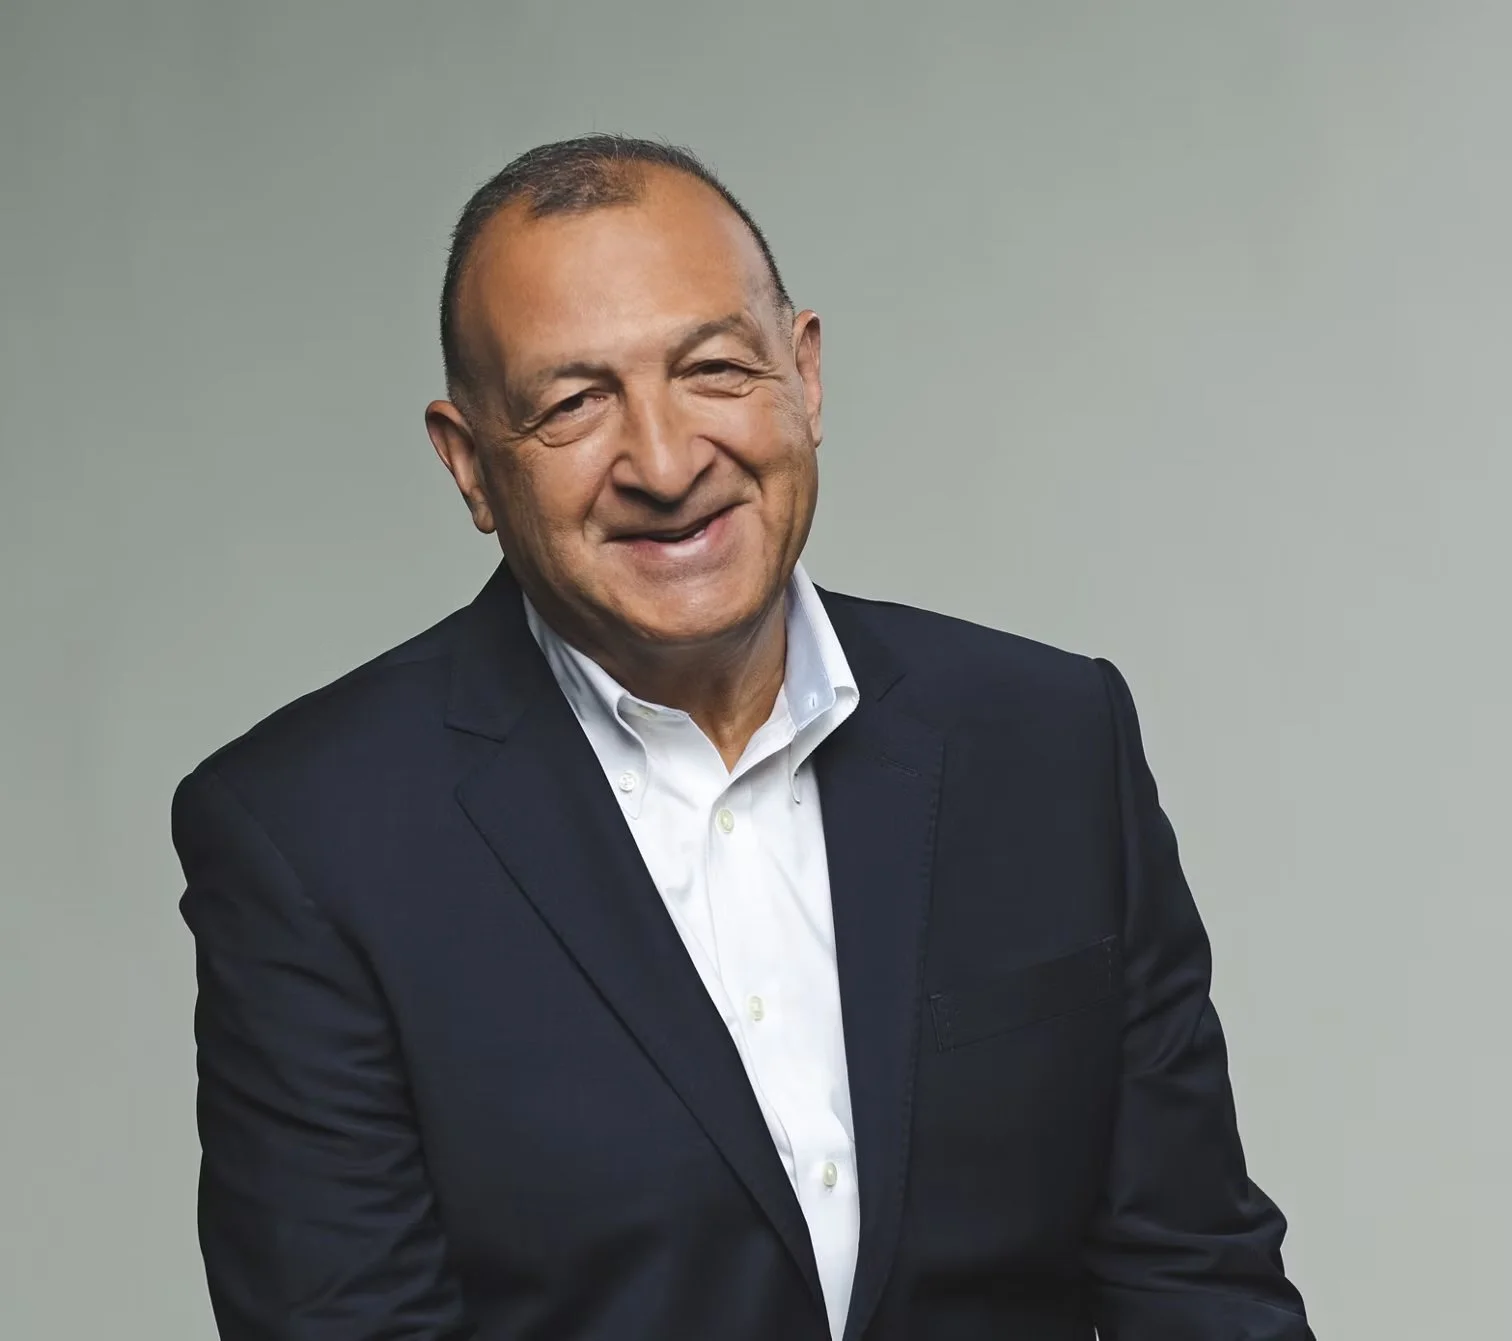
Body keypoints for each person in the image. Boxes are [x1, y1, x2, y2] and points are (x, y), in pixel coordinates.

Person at [173, 134, 1313, 1341]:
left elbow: (1197, 1279)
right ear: (469, 466)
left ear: (804, 375)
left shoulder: (1050, 741)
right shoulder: (313, 836)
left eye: (713, 370)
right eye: (573, 404)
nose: (666, 464)